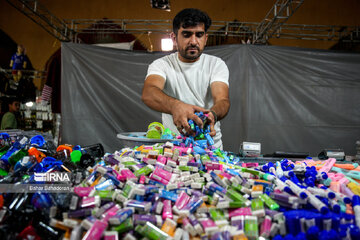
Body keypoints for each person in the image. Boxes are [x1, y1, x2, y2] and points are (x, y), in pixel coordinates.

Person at [142, 8, 230, 149]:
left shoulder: (216, 64)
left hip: (210, 148)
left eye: (199, 35)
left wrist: (213, 114)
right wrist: (175, 106)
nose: (193, 41)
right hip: (174, 149)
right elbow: (149, 93)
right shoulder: (161, 64)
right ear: (174, 38)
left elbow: (222, 100)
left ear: (205, 38)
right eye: (187, 34)